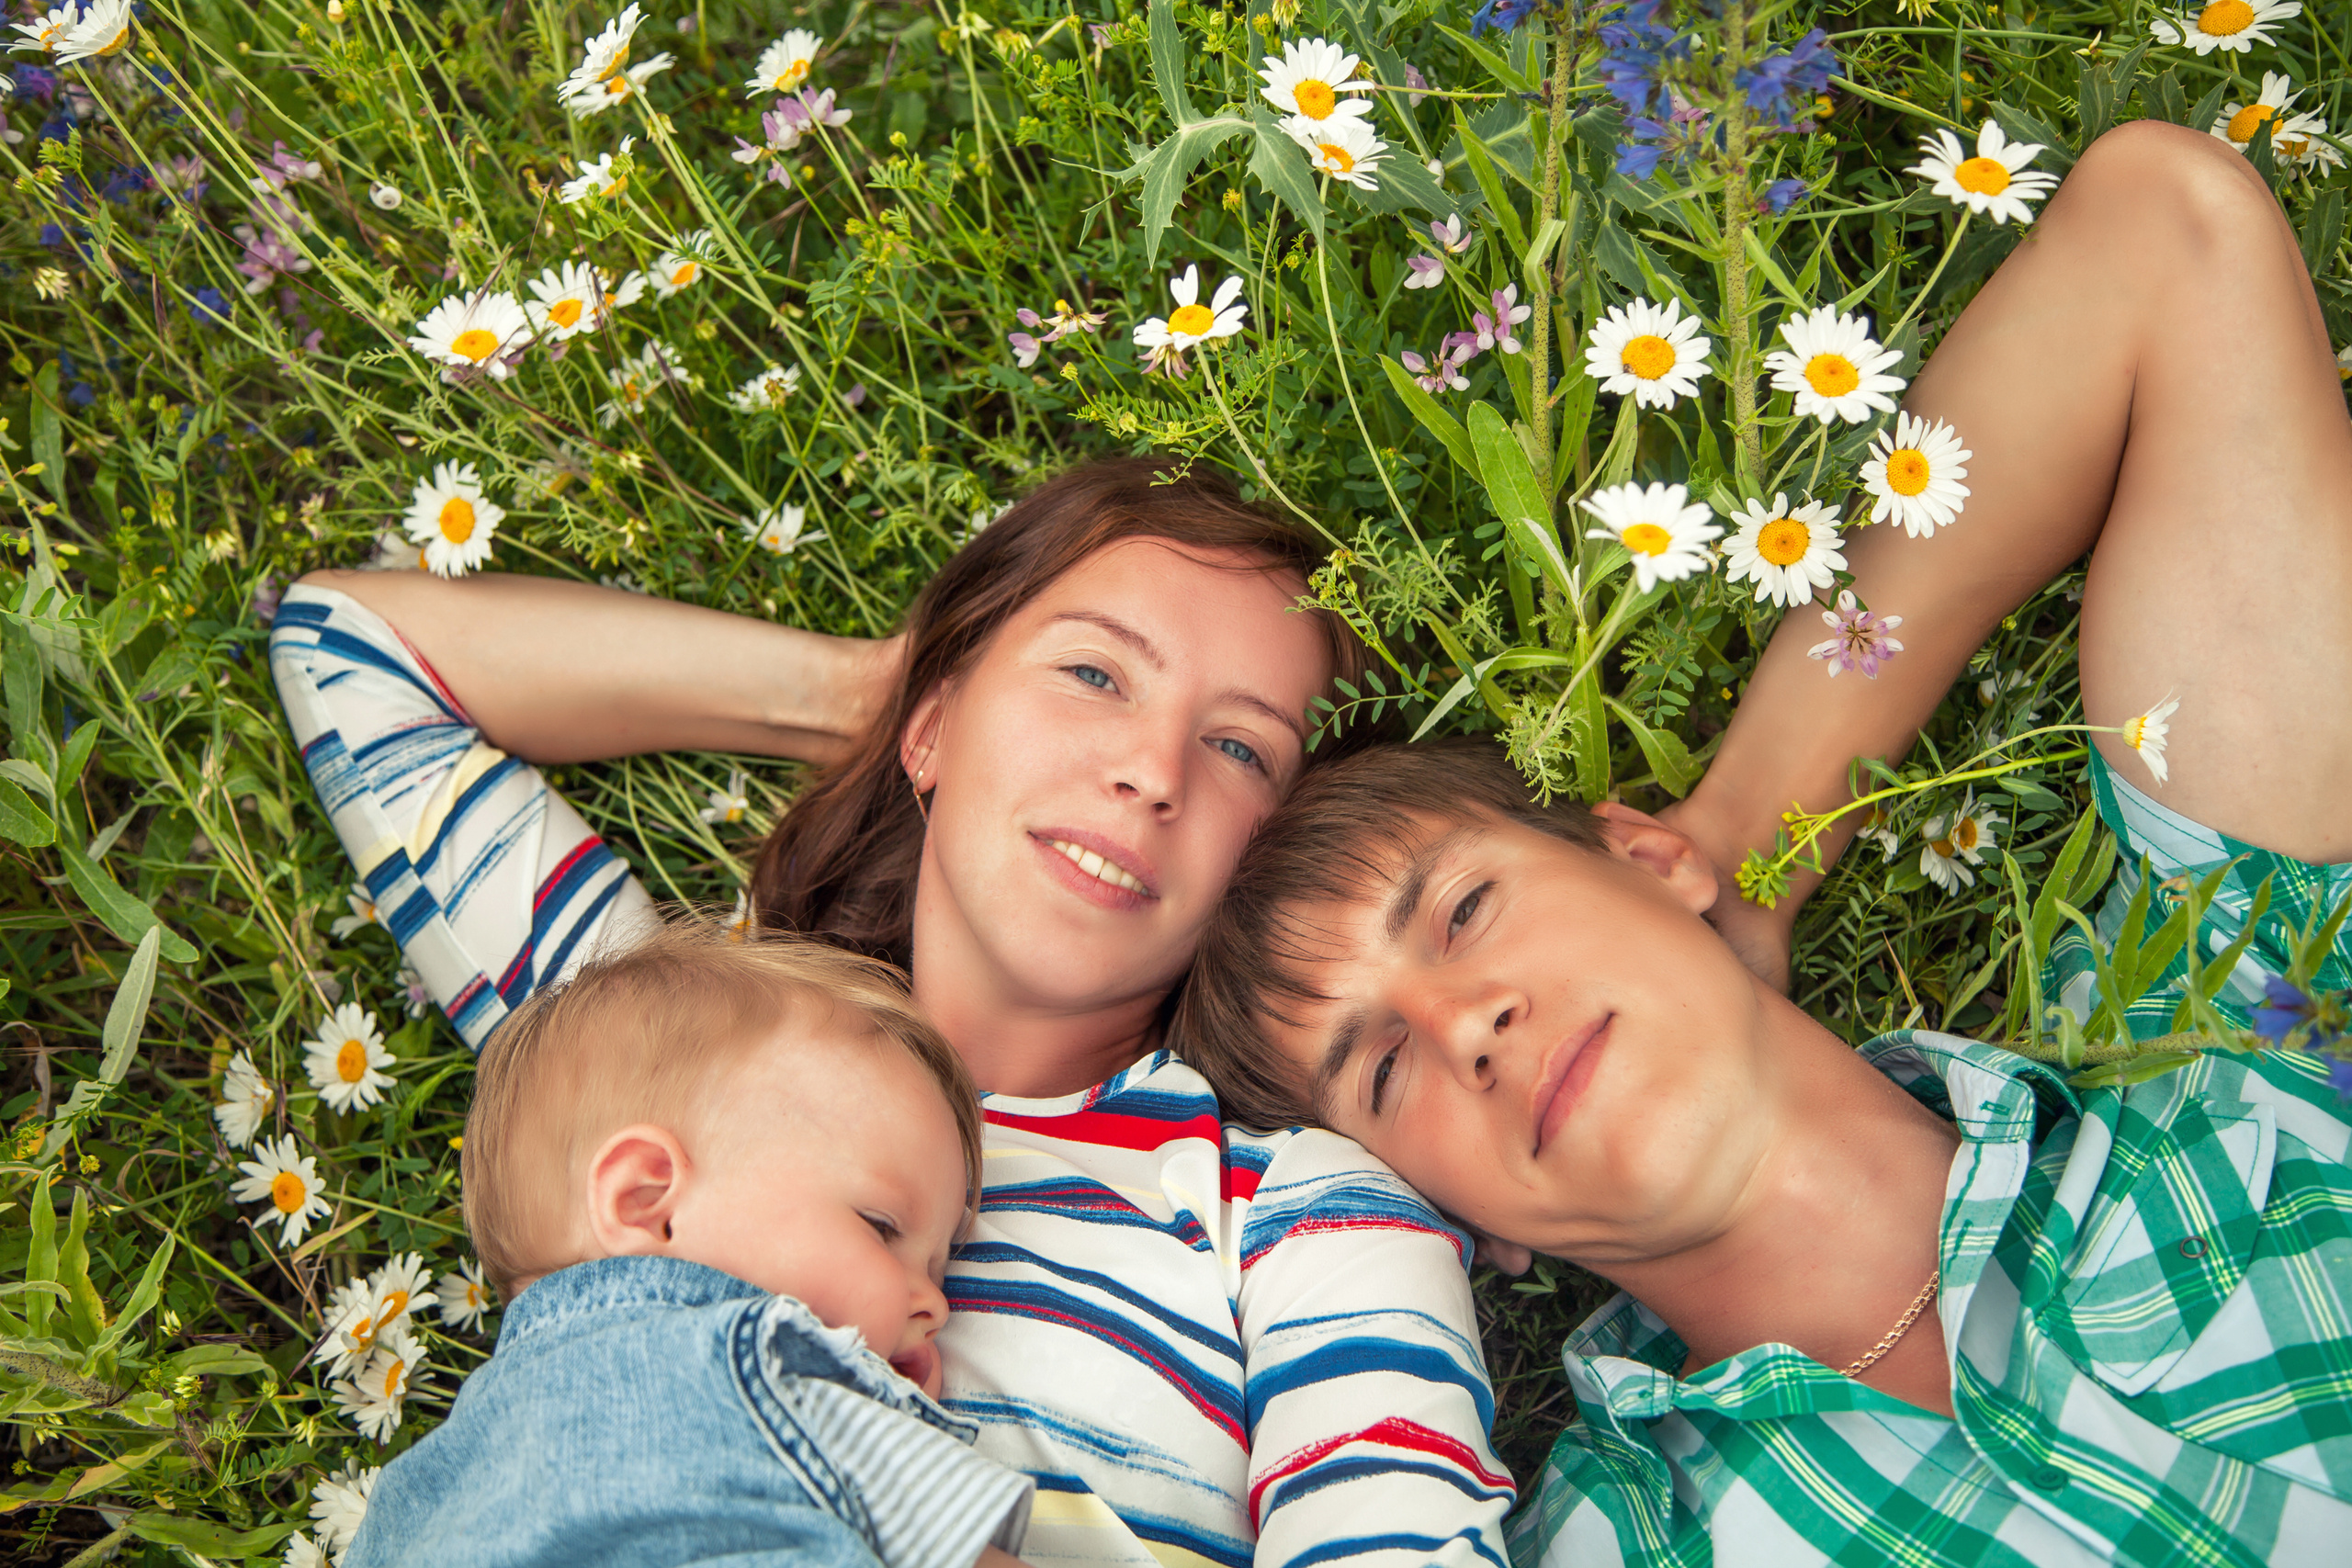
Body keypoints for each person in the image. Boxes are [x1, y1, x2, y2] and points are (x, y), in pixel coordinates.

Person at [1170, 122, 2352, 1568]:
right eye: (1386, 1066)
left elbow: (2169, 235)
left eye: (1466, 909)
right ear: (1457, 1227)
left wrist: (1745, 837)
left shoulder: (2248, 1007)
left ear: (1640, 861)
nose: (1464, 1021)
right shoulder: (1618, 1544)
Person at [273, 459, 1516, 1568]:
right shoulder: (678, 1050)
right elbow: (350, 645)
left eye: (1243, 748)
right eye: (1092, 673)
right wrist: (861, 691)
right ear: (933, 728)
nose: (1152, 768)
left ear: (1271, 853)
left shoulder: (1300, 1204)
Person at [346, 922, 1033, 1568]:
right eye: (880, 1225)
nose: (935, 1303)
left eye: (940, 1263)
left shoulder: (416, 1491)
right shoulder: (780, 1370)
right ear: (647, 1202)